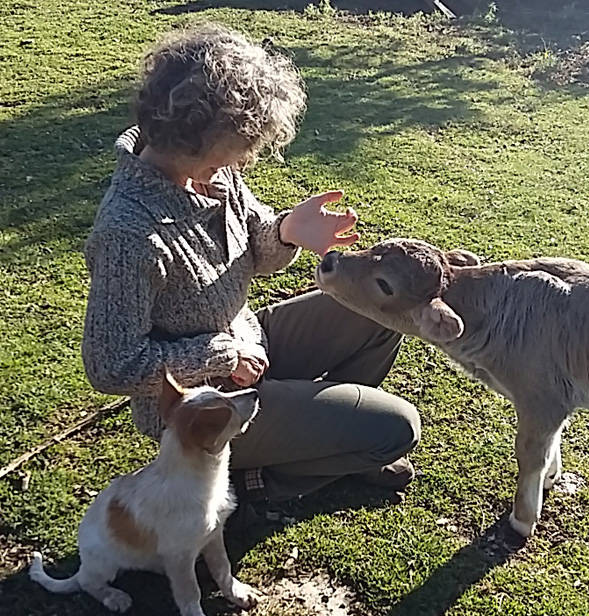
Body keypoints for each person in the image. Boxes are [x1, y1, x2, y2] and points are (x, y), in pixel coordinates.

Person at [81, 23, 420, 515]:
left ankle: (341, 440)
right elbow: (111, 364)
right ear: (205, 135)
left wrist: (286, 230)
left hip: (252, 344)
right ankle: (267, 477)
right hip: (202, 405)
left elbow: (253, 237)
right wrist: (220, 357)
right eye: (244, 143)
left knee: (380, 306)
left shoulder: (211, 173)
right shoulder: (127, 233)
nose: (250, 155)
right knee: (397, 427)